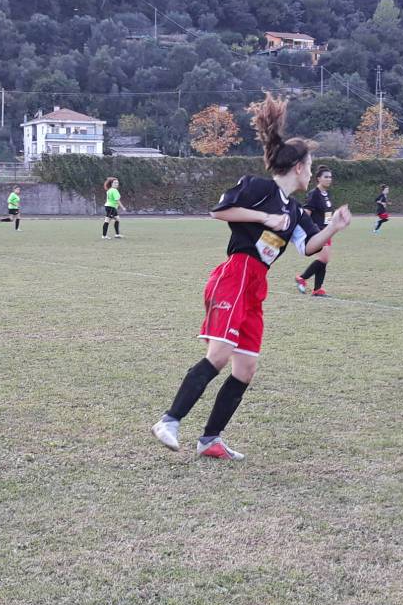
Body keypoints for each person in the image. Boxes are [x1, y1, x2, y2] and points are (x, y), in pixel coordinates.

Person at [151, 93, 352, 460]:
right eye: (310, 165)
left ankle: (210, 439)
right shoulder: (259, 188)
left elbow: (308, 246)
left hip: (257, 284)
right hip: (236, 274)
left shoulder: (294, 209)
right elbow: (219, 211)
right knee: (220, 355)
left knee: (246, 367)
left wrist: (334, 228)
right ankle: (169, 420)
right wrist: (263, 218)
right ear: (297, 167)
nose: (312, 171)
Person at [294, 166, 334, 297]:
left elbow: (327, 213)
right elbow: (306, 214)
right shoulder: (314, 194)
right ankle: (302, 277)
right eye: (326, 177)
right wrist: (310, 230)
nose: (329, 179)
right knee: (324, 258)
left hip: (326, 231)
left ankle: (317, 289)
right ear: (318, 179)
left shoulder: (326, 194)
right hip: (318, 232)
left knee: (324, 260)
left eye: (330, 177)